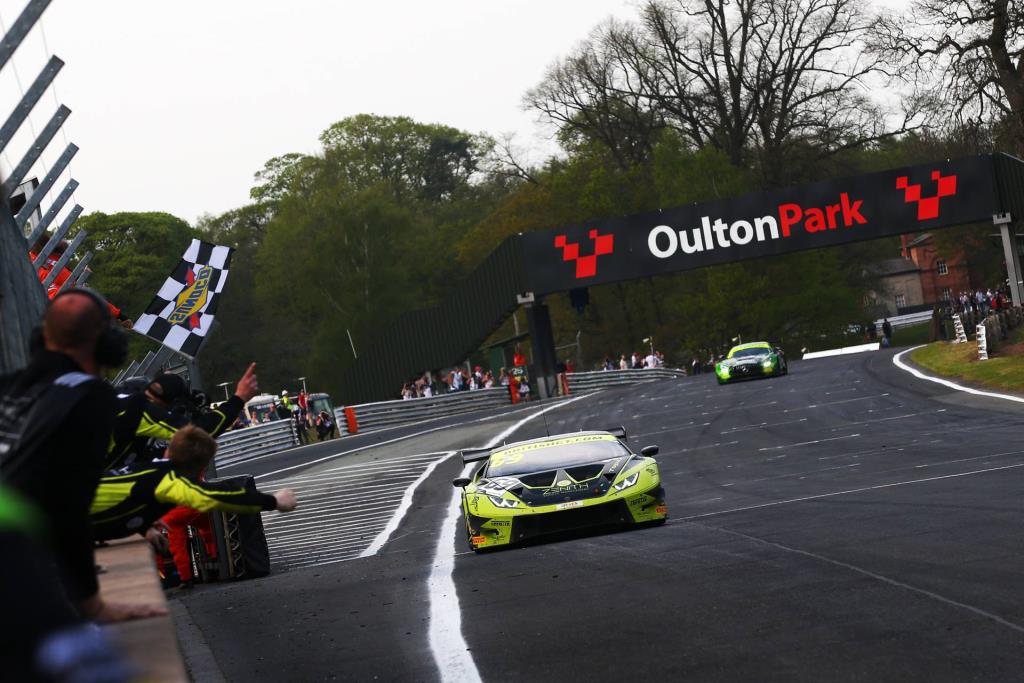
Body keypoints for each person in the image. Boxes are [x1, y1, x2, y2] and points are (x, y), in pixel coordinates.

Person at [0, 288, 164, 624]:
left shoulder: (8, 386)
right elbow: (70, 510)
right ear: (107, 345)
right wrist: (93, 605)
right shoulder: (90, 397)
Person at [106, 364, 259, 470]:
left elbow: (134, 457)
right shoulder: (141, 410)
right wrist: (239, 398)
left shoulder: (113, 399)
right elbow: (201, 433)